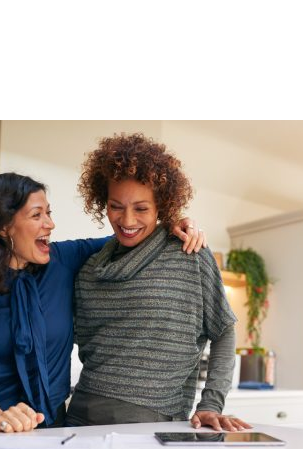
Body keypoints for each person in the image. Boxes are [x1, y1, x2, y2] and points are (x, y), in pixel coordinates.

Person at [0, 172, 203, 434]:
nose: (50, 224)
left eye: (48, 213)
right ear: (2, 226)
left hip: (48, 431)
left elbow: (130, 235)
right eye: (37, 215)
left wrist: (172, 225)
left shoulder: (62, 261)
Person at [66, 133, 251, 432]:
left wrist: (211, 404)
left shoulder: (188, 253)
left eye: (141, 208)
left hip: (153, 420)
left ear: (162, 206)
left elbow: (223, 332)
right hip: (78, 414)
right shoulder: (89, 269)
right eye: (116, 206)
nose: (126, 220)